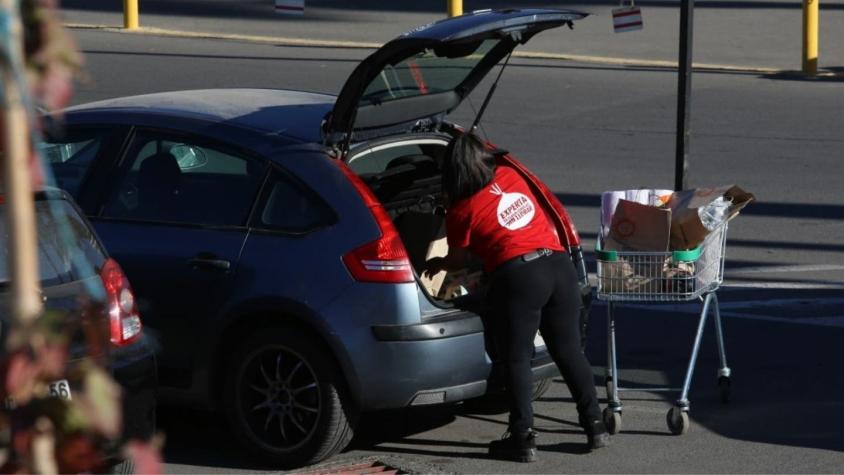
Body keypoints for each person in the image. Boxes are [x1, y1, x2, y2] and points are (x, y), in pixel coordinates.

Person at [423, 132, 609, 463]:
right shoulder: (509, 176)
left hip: (521, 277)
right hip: (558, 265)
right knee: (568, 350)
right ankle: (594, 424)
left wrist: (436, 262)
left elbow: (458, 260)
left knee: (517, 358)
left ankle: (522, 437)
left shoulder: (462, 209)